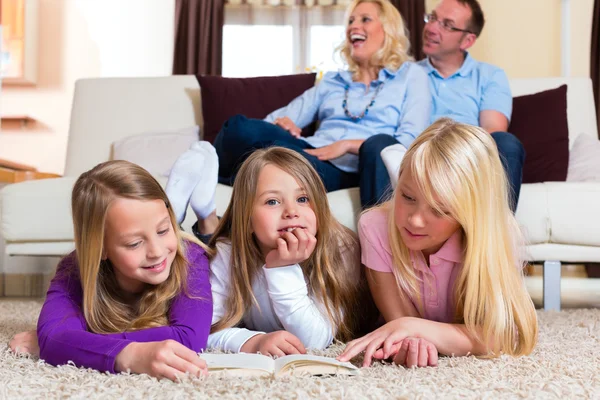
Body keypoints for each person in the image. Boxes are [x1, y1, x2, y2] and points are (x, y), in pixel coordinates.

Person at [337, 119, 538, 368]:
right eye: (408, 196)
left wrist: (413, 327)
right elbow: (399, 324)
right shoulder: (374, 227)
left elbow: (504, 335)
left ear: (469, 212)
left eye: (440, 210)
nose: (416, 220)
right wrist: (412, 334)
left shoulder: (498, 233)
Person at [213, 0, 431, 210]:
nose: (354, 26)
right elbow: (272, 121)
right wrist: (283, 123)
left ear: (388, 30)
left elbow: (410, 142)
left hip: (364, 168)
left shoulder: (411, 75)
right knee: (239, 128)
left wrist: (347, 145)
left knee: (379, 144)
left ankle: (379, 240)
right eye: (351, 21)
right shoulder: (332, 81)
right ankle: (213, 173)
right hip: (316, 159)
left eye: (365, 19)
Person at [9, 160, 213, 381]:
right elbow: (55, 338)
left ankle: (206, 218)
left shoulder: (190, 257)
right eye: (134, 243)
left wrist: (75, 342)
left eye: (163, 230)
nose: (156, 251)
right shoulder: (73, 269)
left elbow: (190, 338)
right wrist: (129, 355)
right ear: (101, 248)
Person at [166, 143, 375, 355]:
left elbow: (313, 341)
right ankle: (175, 221)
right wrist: (253, 342)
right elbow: (204, 329)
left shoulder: (339, 249)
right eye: (273, 201)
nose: (292, 211)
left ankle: (202, 218)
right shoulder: (228, 254)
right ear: (247, 220)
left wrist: (282, 268)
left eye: (303, 199)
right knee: (190, 259)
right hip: (233, 242)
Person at [382, 0, 525, 212]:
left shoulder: (489, 76)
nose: (430, 28)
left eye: (446, 25)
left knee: (506, 143)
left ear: (467, 40)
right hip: (415, 160)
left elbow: (493, 131)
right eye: (432, 18)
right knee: (381, 143)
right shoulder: (404, 74)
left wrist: (455, 158)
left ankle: (496, 234)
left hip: (466, 161)